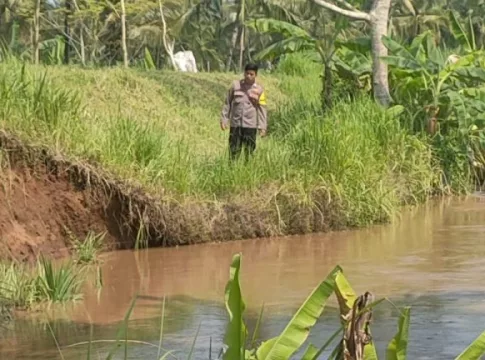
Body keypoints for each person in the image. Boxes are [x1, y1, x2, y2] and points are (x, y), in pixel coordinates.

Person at [220, 63, 267, 161]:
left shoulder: (259, 90)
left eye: (251, 74)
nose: (248, 76)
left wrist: (262, 127)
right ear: (244, 73)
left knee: (249, 152)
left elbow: (262, 109)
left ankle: (247, 170)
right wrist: (224, 119)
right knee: (233, 151)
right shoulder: (235, 86)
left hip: (250, 126)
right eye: (247, 73)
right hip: (236, 125)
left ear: (256, 75)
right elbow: (227, 102)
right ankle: (232, 169)